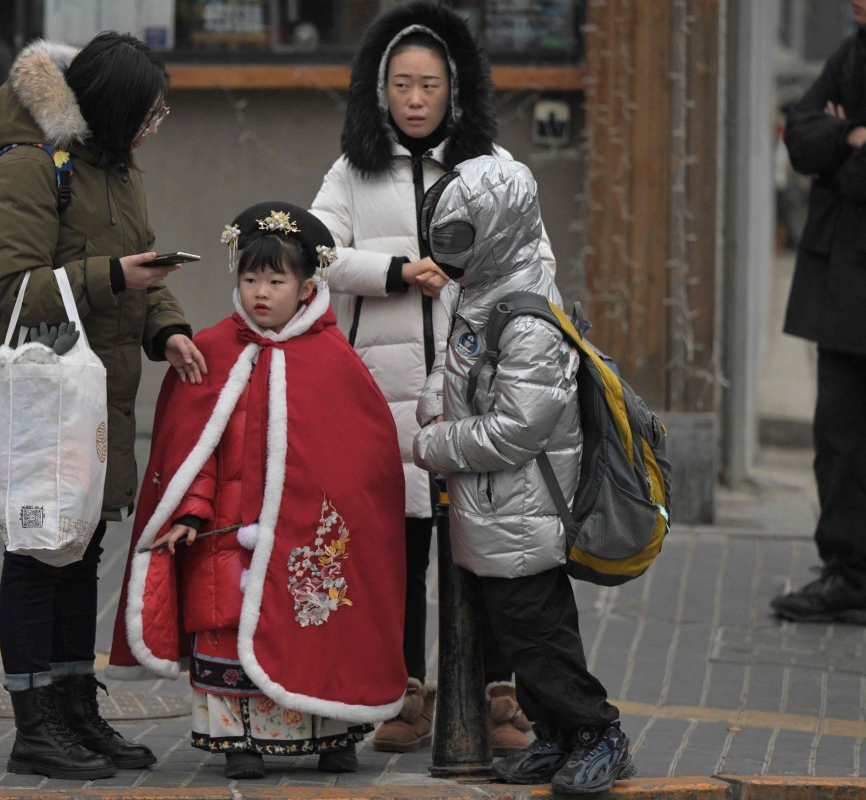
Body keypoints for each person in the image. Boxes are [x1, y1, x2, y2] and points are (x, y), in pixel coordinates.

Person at [308, 0, 557, 754]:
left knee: (488, 547)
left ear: (457, 89)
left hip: (475, 396)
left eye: (430, 85)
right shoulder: (352, 170)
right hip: (381, 400)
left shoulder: (497, 170)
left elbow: (539, 267)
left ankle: (499, 694)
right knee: (399, 552)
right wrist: (390, 272)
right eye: (401, 85)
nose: (415, 100)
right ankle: (404, 693)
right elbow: (312, 254)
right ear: (379, 90)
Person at [0, 35, 208, 780]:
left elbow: (140, 264)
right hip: (39, 398)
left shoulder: (115, 170)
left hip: (97, 395)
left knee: (81, 548)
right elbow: (13, 288)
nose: (154, 127)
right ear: (110, 107)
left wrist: (170, 327)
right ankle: (34, 725)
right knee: (39, 553)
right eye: (149, 113)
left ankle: (73, 708)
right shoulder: (30, 170)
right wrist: (112, 278)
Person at [106, 203, 409, 779]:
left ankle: (333, 730)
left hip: (308, 542)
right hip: (225, 535)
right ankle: (236, 741)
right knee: (225, 627)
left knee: (321, 627)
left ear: (307, 286)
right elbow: (193, 449)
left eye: (276, 281)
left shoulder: (335, 363)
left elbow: (362, 471)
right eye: (250, 279)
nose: (261, 293)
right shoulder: (213, 352)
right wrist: (190, 512)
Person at [413, 155, 635, 795]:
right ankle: (557, 737)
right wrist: (436, 401)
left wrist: (437, 442)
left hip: (523, 507)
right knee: (515, 632)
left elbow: (519, 428)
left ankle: (598, 734)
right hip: (491, 504)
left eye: (458, 240)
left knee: (540, 635)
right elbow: (456, 367)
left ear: (497, 230)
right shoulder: (481, 286)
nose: (447, 254)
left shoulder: (530, 317)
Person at [770, 0, 866, 626]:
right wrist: (849, 135)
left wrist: (841, 152)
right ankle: (848, 574)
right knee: (839, 442)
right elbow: (799, 132)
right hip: (840, 288)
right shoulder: (850, 53)